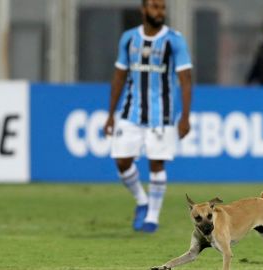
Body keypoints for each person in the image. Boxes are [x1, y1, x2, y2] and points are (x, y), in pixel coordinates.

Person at [103, 0, 192, 233]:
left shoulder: (174, 40)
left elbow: (186, 80)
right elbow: (119, 77)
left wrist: (185, 117)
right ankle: (142, 201)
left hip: (161, 115)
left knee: (156, 163)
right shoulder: (129, 38)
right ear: (143, 9)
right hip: (130, 112)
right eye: (154, 7)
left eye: (162, 7)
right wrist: (111, 114)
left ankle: (152, 217)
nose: (159, 12)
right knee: (122, 161)